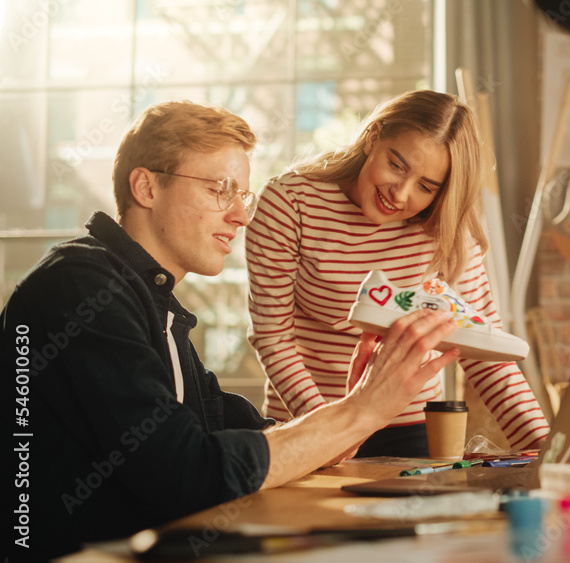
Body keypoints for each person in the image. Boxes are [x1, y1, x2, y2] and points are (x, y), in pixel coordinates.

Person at [1, 100, 461, 560]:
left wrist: (353, 416)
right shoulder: (80, 290)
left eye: (244, 195)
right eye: (221, 190)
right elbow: (187, 474)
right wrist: (359, 411)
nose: (242, 216)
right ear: (146, 187)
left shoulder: (153, 304)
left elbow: (226, 430)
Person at [245, 90, 549, 456]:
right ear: (374, 136)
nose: (401, 194)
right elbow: (273, 338)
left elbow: (483, 353)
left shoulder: (446, 227)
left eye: (425, 186)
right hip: (307, 419)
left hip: (412, 429)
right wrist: (333, 430)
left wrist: (549, 451)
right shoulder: (289, 203)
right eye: (397, 165)